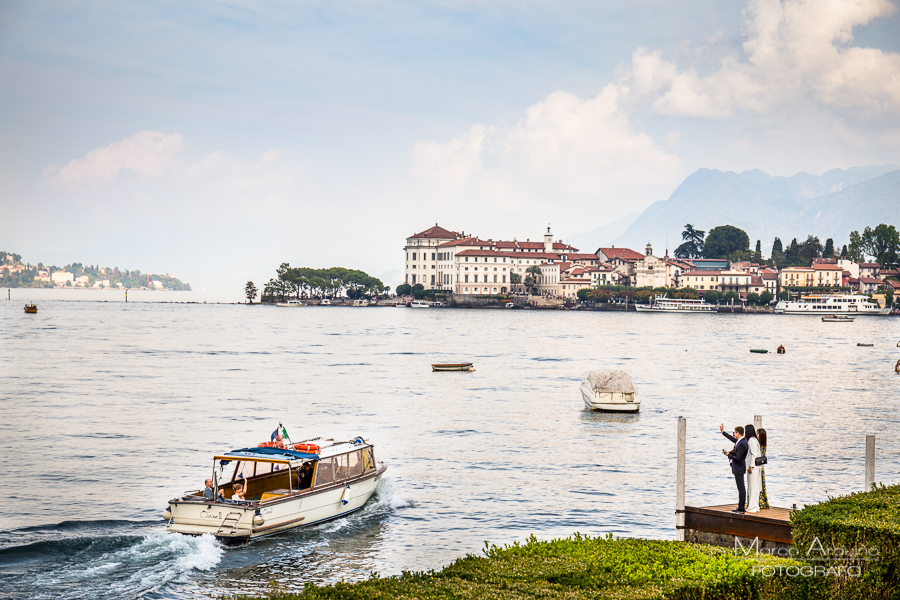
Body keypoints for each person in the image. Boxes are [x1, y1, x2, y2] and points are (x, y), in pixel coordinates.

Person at [720, 424, 748, 513]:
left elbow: (739, 458)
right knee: (740, 487)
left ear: (738, 433)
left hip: (739, 468)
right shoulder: (740, 441)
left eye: (734, 433)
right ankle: (740, 506)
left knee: (741, 488)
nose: (733, 435)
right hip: (738, 468)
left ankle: (741, 508)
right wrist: (723, 432)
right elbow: (733, 440)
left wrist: (729, 455)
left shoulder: (742, 444)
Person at [744, 424, 762, 513]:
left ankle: (752, 507)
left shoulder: (751, 440)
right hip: (758, 467)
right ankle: (756, 505)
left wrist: (751, 466)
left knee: (751, 487)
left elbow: (754, 454)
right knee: (755, 487)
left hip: (753, 467)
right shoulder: (755, 440)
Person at [757, 428, 769, 509]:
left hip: (757, 466)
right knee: (761, 484)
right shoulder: (764, 445)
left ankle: (759, 501)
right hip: (761, 467)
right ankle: (762, 500)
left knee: (757, 484)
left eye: (757, 433)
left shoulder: (758, 445)